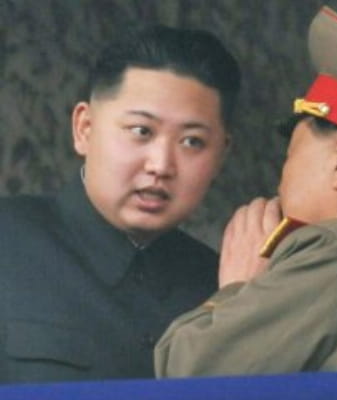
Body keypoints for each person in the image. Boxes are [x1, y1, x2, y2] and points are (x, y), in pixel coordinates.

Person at [154, 6, 337, 377]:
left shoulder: (336, 251)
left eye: (289, 158)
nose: (280, 185)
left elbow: (189, 372)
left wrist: (237, 289)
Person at [0, 25, 241, 382]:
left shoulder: (221, 287)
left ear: (221, 155)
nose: (161, 165)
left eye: (192, 141)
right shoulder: (8, 243)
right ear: (84, 128)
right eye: (142, 131)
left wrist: (238, 304)